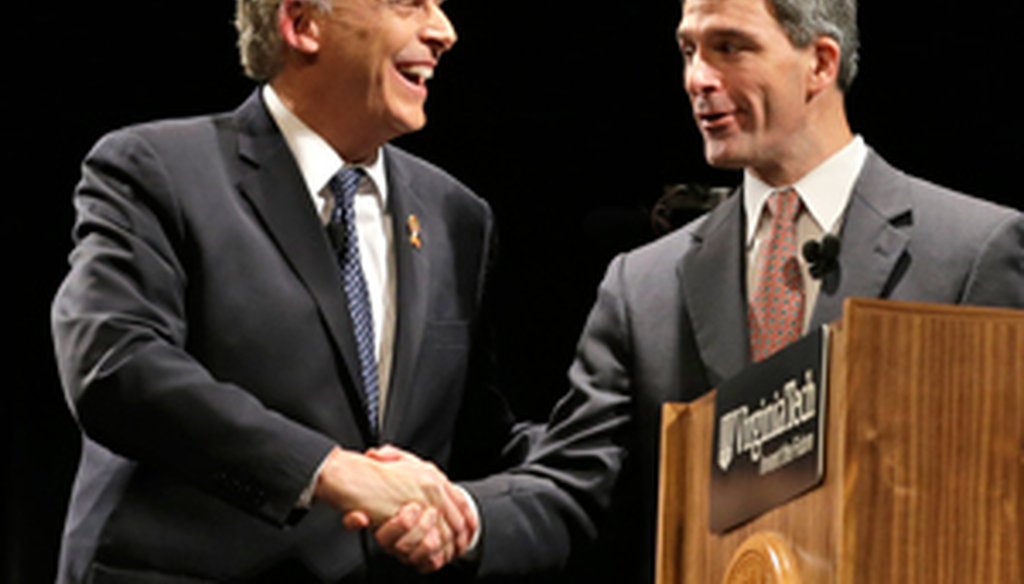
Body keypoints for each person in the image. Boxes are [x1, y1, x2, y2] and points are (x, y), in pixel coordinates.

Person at [381, 0, 1024, 581]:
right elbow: (573, 484)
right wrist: (458, 511)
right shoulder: (644, 287)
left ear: (820, 62)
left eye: (730, 47)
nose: (698, 79)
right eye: (689, 50)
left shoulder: (972, 252)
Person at [51, 0, 521, 581]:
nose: (443, 31)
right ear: (301, 24)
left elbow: (481, 434)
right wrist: (326, 470)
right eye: (408, 3)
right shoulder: (157, 170)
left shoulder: (457, 216)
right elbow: (115, 365)